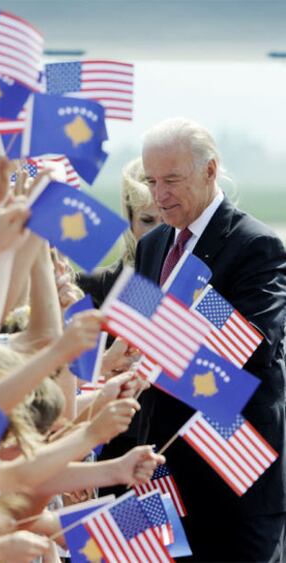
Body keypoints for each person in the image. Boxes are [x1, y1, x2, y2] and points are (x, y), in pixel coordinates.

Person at [135, 117, 286, 562]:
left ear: (209, 170)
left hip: (231, 480)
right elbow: (141, 346)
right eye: (151, 181)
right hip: (162, 473)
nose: (159, 195)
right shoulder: (152, 245)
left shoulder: (256, 244)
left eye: (172, 180)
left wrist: (189, 307)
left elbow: (257, 348)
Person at [77, 156, 160, 308]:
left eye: (167, 222)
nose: (159, 232)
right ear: (129, 221)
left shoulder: (200, 285)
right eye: (148, 221)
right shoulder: (88, 288)